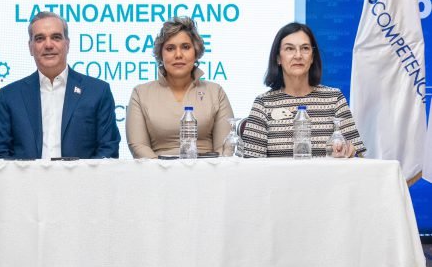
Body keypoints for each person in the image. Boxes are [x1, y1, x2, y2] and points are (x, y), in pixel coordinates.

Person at [0, 11, 120, 159]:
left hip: (82, 175)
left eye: (56, 37)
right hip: (25, 175)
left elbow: (108, 150)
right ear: (30, 47)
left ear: (67, 44)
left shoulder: (97, 92)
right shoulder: (10, 96)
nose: (48, 45)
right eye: (40, 39)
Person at [243, 22, 366, 158]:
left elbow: (358, 154)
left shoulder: (334, 98)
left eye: (305, 48)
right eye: (290, 49)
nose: (298, 55)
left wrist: (349, 151)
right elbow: (250, 163)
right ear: (278, 58)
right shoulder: (263, 103)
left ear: (312, 57)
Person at [126, 17, 234, 158]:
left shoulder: (215, 92)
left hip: (208, 169)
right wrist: (164, 170)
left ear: (196, 52)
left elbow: (225, 148)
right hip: (157, 169)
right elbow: (139, 146)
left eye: (185, 47)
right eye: (170, 48)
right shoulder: (140, 93)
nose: (178, 55)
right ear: (161, 55)